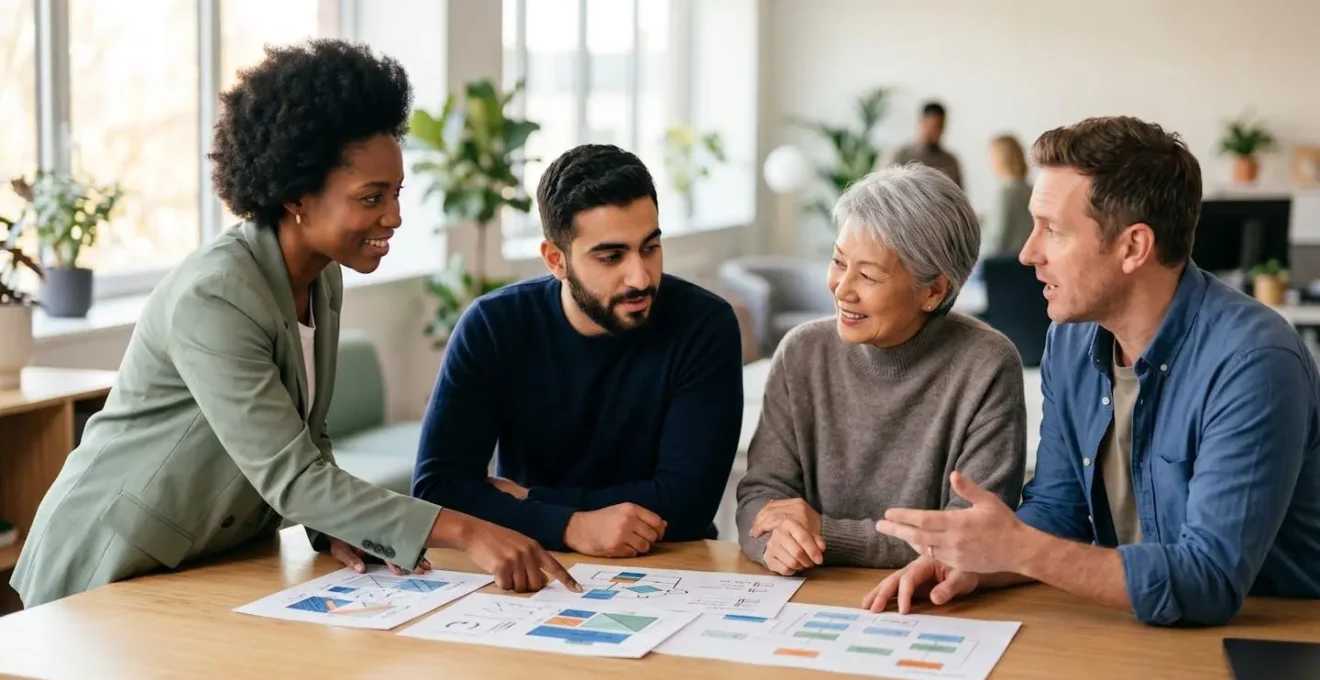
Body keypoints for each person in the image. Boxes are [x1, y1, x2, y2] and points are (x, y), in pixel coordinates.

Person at [10, 39, 578, 608]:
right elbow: (292, 475)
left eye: (396, 193)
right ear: (297, 196)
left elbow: (307, 437)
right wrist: (469, 531)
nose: (394, 216)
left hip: (201, 561)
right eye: (372, 198)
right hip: (107, 562)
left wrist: (337, 523)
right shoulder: (216, 294)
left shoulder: (321, 276)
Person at [867, 116, 1320, 626]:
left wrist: (1019, 549)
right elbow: (1059, 512)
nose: (1028, 253)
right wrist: (973, 563)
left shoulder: (1254, 362)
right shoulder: (1071, 340)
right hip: (1133, 624)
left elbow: (1208, 581)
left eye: (1052, 230)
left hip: (1270, 635)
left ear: (1133, 247)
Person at [411, 143, 744, 558]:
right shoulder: (494, 325)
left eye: (650, 248)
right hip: (530, 558)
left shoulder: (704, 324)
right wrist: (571, 527)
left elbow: (688, 503)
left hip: (673, 561)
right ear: (556, 259)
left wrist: (533, 501)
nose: (640, 278)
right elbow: (437, 490)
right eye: (611, 256)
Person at [734, 164, 1026, 576]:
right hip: (809, 590)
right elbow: (761, 496)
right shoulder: (801, 352)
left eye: (868, 275)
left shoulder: (987, 365)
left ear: (933, 290)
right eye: (838, 262)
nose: (842, 288)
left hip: (930, 600)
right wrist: (775, 540)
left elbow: (972, 535)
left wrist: (826, 534)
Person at [980, 134, 1034, 257]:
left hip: (1005, 263)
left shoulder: (1005, 194)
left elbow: (997, 241)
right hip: (1028, 260)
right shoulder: (1032, 190)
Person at [892, 101, 962, 189]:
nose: (936, 132)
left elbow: (960, 193)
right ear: (921, 122)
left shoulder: (950, 161)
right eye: (933, 126)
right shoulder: (900, 156)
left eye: (940, 127)